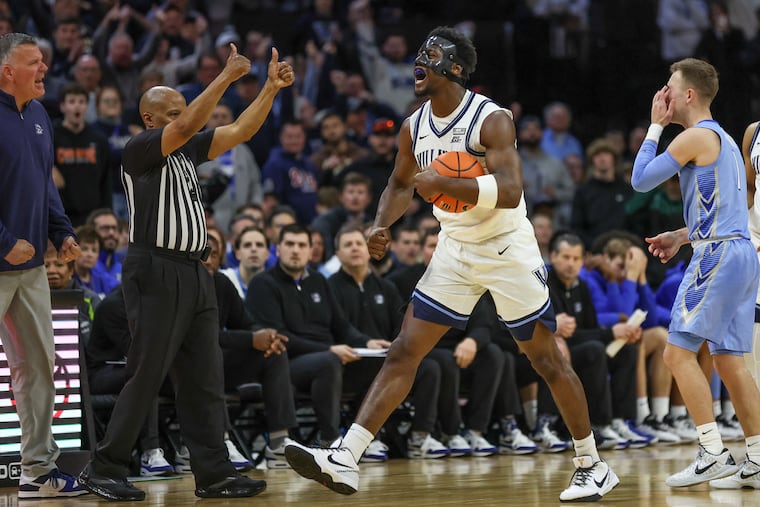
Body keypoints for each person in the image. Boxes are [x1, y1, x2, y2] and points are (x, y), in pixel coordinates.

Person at [284, 26, 619, 502]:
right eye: (419, 51)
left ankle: (591, 465)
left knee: (545, 359)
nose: (419, 60)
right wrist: (381, 225)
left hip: (507, 248)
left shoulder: (492, 119)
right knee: (404, 350)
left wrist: (445, 181)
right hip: (455, 249)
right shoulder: (412, 126)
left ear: (455, 69)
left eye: (431, 54)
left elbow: (510, 192)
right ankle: (346, 457)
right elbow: (401, 185)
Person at [76, 43, 294, 501]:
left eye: (183, 107)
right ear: (152, 119)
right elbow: (193, 121)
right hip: (155, 269)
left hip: (196, 272)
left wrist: (270, 89)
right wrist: (227, 77)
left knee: (204, 376)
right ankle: (105, 466)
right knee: (147, 373)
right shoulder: (139, 150)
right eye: (173, 111)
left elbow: (239, 129)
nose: (185, 115)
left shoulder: (188, 152)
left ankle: (213, 473)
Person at [631, 57, 760, 488]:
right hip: (741, 252)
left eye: (669, 86)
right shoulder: (721, 137)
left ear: (688, 94)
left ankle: (710, 451)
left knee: (676, 353)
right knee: (729, 360)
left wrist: (654, 126)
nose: (664, 94)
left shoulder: (694, 137)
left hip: (718, 257)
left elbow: (641, 180)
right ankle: (758, 458)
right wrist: (681, 236)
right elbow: (726, 212)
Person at [0, 32, 86, 499]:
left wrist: (62, 232)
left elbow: (43, 185)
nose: (44, 70)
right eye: (34, 62)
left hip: (30, 267)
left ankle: (38, 469)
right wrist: (3, 240)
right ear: (7, 70)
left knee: (39, 367)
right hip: (2, 258)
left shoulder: (37, 116)